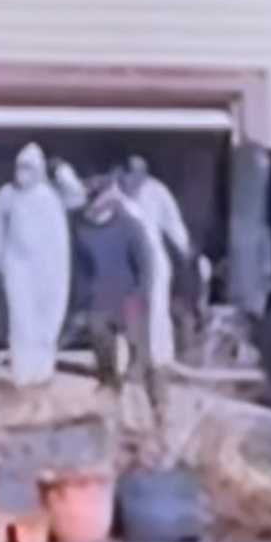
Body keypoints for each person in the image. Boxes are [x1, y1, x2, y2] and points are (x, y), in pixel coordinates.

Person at [0, 143, 71, 387]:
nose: (23, 172)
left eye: (29, 167)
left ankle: (42, 374)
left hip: (52, 270)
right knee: (22, 322)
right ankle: (23, 376)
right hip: (18, 267)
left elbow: (78, 198)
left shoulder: (53, 195)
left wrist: (64, 174)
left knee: (48, 321)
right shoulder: (7, 195)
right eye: (20, 167)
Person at [71, 174, 154, 391]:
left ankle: (150, 399)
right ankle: (109, 387)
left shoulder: (130, 226)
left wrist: (141, 294)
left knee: (139, 354)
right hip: (98, 299)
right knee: (101, 345)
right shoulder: (82, 230)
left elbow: (145, 265)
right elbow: (80, 270)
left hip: (130, 297)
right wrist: (81, 302)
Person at [119, 155, 192, 370]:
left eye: (139, 172)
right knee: (130, 312)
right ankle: (131, 359)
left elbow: (172, 221)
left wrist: (184, 246)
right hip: (126, 262)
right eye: (130, 171)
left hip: (154, 259)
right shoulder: (118, 193)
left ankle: (160, 359)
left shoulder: (157, 191)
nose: (134, 176)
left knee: (156, 308)